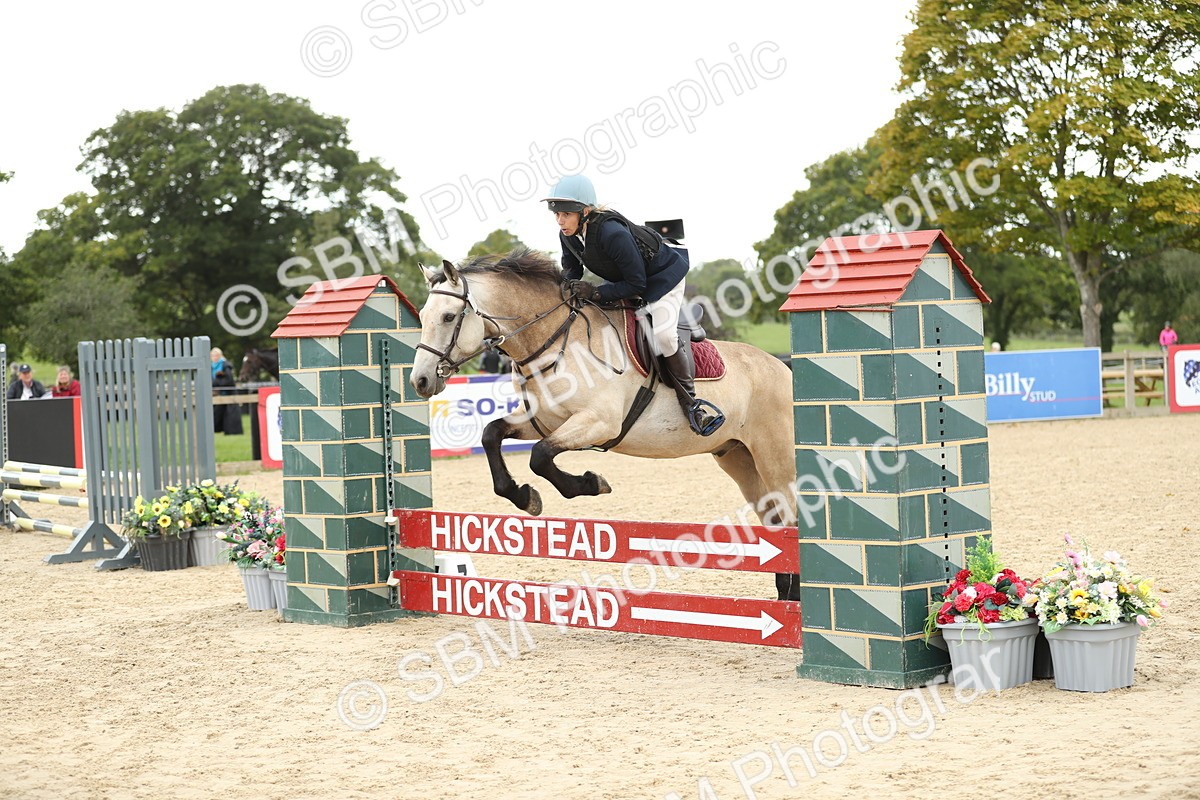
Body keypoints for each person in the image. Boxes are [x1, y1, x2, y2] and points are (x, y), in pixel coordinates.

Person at [543, 174, 724, 436]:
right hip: (628, 279)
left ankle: (693, 406)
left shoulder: (612, 233)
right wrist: (564, 290)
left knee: (663, 336)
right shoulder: (569, 234)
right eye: (557, 214)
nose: (560, 221)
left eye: (566, 214)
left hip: (662, 279)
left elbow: (637, 285)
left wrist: (596, 292)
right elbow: (572, 270)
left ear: (585, 211)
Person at [210, 348, 244, 435]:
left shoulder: (226, 365)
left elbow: (229, 380)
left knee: (231, 415)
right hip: (217, 393)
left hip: (228, 393)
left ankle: (232, 432)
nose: (214, 357)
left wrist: (216, 382)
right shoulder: (210, 366)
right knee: (216, 414)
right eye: (213, 355)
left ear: (220, 356)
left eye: (216, 355)